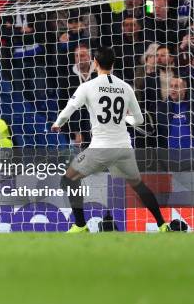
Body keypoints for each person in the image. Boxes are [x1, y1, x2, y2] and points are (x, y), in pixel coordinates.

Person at [51, 47, 170, 233]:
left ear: (95, 63)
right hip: (124, 147)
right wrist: (125, 118)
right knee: (138, 184)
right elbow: (139, 120)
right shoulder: (125, 87)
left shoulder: (87, 86)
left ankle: (81, 225)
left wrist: (58, 124)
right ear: (113, 64)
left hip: (101, 148)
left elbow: (69, 108)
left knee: (68, 179)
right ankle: (162, 224)